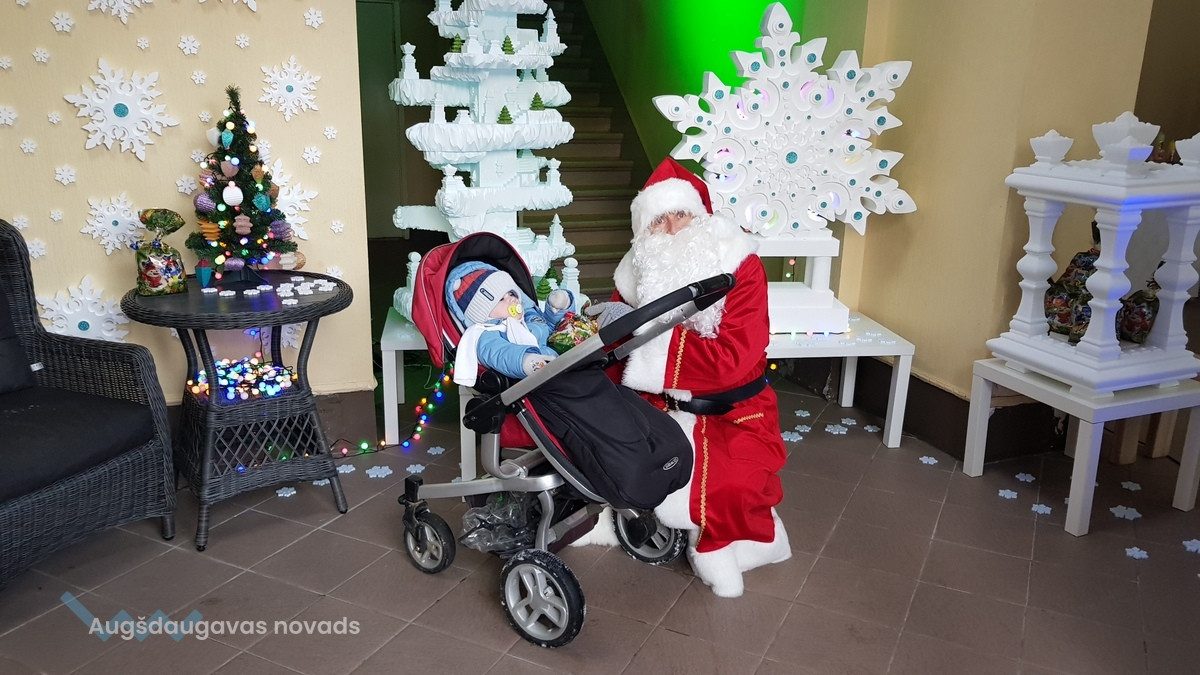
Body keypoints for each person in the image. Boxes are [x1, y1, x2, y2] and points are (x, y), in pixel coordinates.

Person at [583, 157, 790, 598]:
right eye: (659, 220)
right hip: (657, 407)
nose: (673, 228)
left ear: (702, 217)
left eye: (681, 214)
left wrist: (641, 336)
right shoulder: (635, 273)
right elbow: (618, 353)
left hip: (734, 410)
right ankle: (609, 523)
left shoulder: (741, 265)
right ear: (644, 231)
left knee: (735, 487)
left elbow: (735, 358)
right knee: (606, 451)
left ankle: (739, 546)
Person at [445, 261, 573, 386]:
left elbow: (549, 328)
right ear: (482, 312)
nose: (511, 299)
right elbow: (501, 354)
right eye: (501, 299)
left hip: (565, 362)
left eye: (511, 293)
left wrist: (557, 309)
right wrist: (527, 361)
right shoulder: (488, 334)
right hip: (538, 379)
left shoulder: (527, 316)